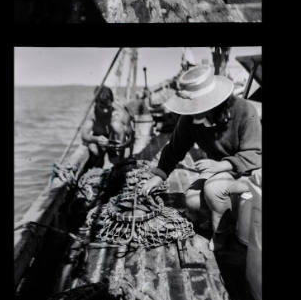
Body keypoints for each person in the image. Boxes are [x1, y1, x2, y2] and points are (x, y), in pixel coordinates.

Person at [141, 64, 261, 251]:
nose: (192, 111)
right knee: (192, 201)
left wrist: (221, 166)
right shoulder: (190, 119)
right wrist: (159, 175)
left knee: (214, 190)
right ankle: (227, 212)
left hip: (251, 173)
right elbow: (174, 149)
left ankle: (222, 234)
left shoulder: (245, 111)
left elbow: (254, 155)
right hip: (220, 171)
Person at [81, 85, 133, 169]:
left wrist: (121, 146)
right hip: (97, 137)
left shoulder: (121, 114)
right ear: (96, 102)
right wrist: (96, 139)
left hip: (113, 140)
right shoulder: (91, 113)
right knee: (96, 156)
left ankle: (119, 160)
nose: (105, 110)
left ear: (112, 102)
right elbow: (84, 136)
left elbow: (131, 137)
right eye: (101, 107)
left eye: (108, 107)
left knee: (116, 161)